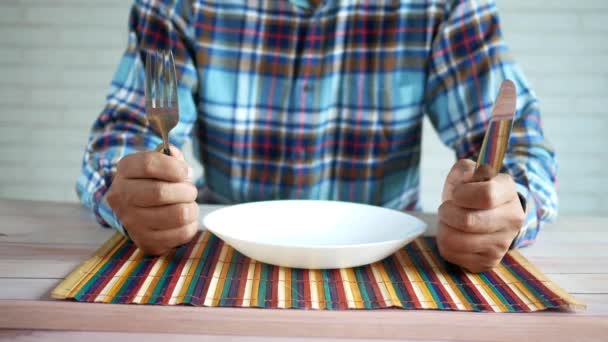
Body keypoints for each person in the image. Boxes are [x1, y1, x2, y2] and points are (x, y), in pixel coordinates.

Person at [77, 0, 557, 273]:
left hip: (388, 265)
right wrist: (132, 191)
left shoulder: (443, 5)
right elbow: (123, 137)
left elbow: (520, 148)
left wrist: (503, 203)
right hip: (225, 262)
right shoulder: (177, 5)